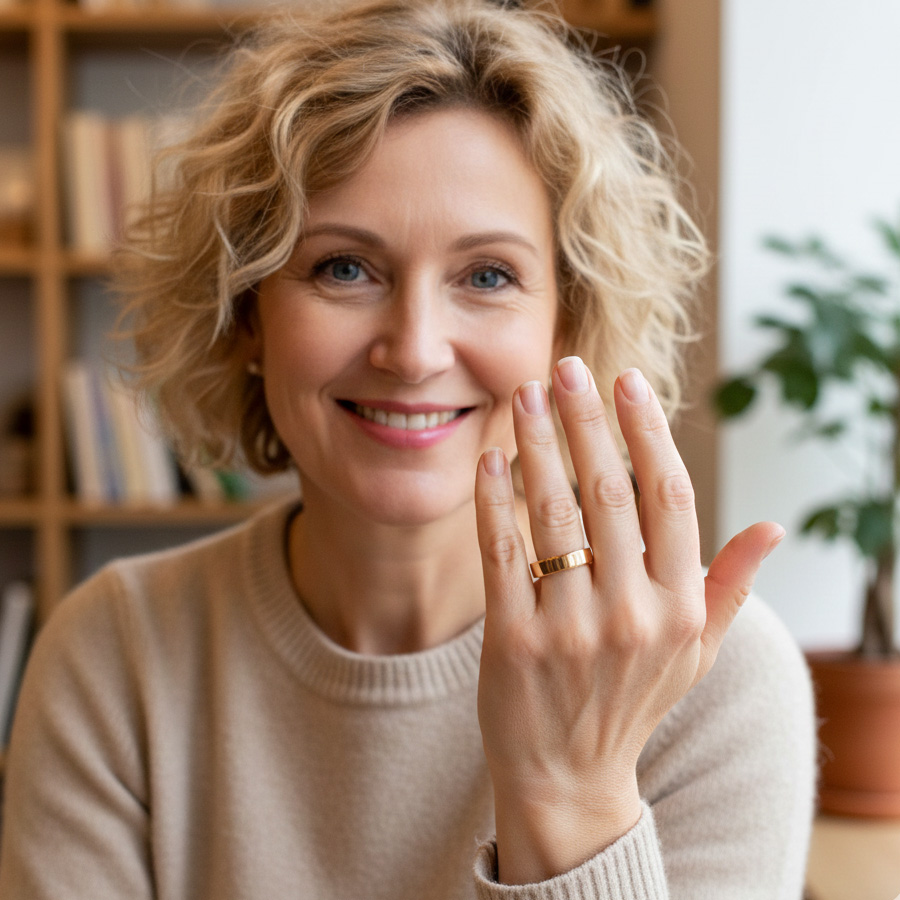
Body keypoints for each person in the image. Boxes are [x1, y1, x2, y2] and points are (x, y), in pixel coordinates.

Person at [0, 1, 816, 897]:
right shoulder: (114, 655)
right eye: (343, 267)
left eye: (488, 275)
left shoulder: (710, 675)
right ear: (245, 314)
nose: (416, 349)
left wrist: (569, 790)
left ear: (567, 327)